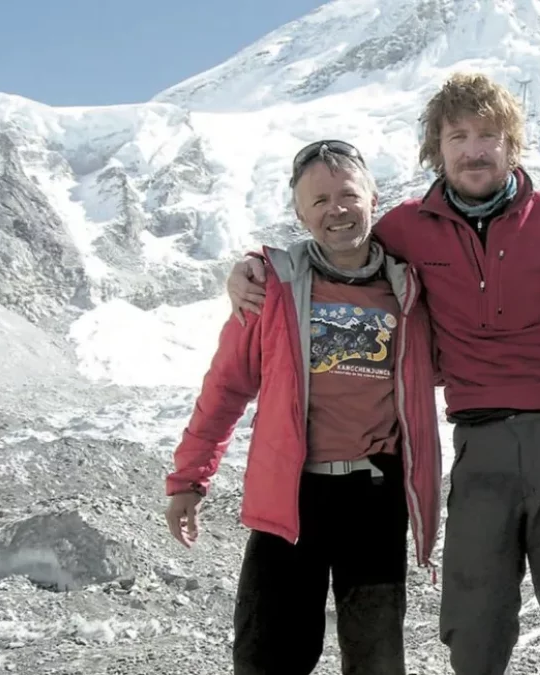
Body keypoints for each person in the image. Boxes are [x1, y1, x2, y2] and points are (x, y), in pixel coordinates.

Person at [225, 72, 540, 675]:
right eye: (459, 135)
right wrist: (248, 265)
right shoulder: (404, 230)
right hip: (480, 441)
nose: (475, 148)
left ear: (512, 145)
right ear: (437, 148)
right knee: (474, 620)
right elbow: (337, 247)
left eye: (490, 135)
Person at [165, 140, 442, 675]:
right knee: (267, 658)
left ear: (373, 198)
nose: (335, 210)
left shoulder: (409, 291)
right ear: (299, 213)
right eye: (318, 201)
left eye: (347, 195)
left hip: (374, 499)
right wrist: (188, 479)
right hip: (291, 498)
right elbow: (225, 389)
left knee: (376, 661)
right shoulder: (272, 287)